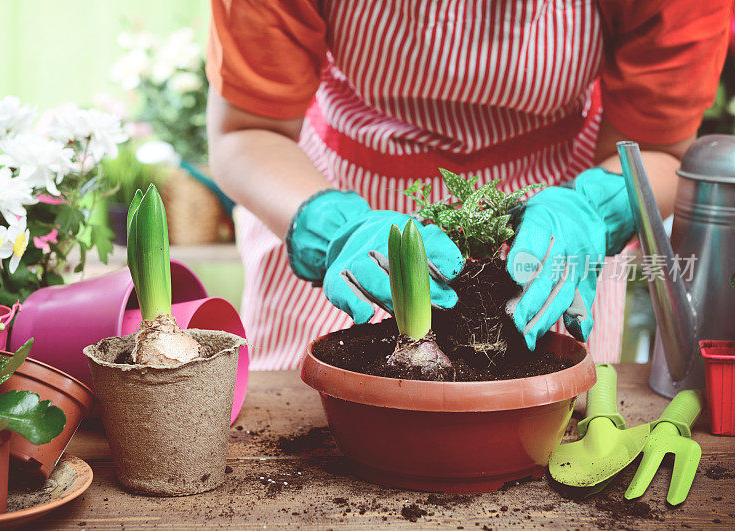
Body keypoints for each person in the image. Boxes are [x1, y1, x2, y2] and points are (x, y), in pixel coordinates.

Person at [206, 1, 730, 369]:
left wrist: (594, 211)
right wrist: (332, 226)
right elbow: (247, 132)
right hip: (341, 196)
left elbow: (656, 150)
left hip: (549, 219)